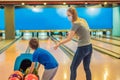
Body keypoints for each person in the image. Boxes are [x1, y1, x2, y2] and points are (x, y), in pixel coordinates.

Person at [54, 7, 92, 80]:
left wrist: (59, 43)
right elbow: (85, 32)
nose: (67, 17)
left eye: (68, 15)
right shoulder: (82, 20)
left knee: (73, 67)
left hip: (82, 48)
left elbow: (69, 38)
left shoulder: (75, 24)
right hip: (89, 47)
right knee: (86, 68)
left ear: (73, 15)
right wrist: (76, 34)